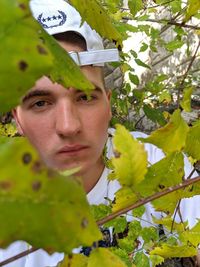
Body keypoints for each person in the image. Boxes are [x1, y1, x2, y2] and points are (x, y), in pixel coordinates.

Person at [0, 0, 199, 266]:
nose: (69, 126)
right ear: (18, 119)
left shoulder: (158, 160)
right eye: (40, 103)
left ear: (108, 103)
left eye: (84, 97)